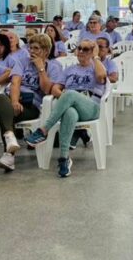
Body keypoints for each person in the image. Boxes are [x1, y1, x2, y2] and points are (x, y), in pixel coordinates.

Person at [24, 38, 108, 178]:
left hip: (91, 108)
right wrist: (64, 97)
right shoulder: (69, 69)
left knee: (69, 94)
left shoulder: (96, 66)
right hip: (72, 104)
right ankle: (64, 159)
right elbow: (55, 88)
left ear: (92, 51)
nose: (81, 51)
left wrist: (96, 57)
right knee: (69, 113)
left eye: (86, 49)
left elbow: (101, 77)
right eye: (79, 48)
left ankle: (44, 130)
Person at [0, 33, 61, 171]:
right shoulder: (22, 62)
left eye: (36, 48)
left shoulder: (53, 67)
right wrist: (15, 101)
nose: (31, 51)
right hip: (13, 100)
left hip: (32, 106)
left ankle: (9, 154)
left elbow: (47, 90)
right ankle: (10, 141)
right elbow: (15, 82)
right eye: (30, 48)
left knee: (4, 113)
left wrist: (41, 68)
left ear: (46, 51)